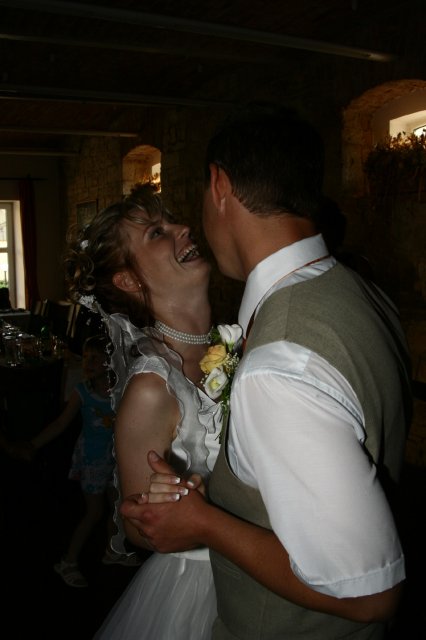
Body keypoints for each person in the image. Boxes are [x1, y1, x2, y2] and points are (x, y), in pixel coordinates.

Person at [120, 104, 413, 639]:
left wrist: (204, 522)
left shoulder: (276, 368)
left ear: (219, 185)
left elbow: (370, 594)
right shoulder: (364, 293)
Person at [63, 182, 223, 638]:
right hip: (204, 590)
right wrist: (172, 503)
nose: (183, 228)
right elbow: (136, 529)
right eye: (157, 232)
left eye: (171, 222)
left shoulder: (231, 345)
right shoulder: (153, 387)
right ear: (129, 281)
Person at [12, 334, 138, 587]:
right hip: (92, 460)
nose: (88, 362)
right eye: (86, 357)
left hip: (113, 459)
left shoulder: (121, 390)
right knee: (94, 512)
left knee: (116, 507)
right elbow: (60, 423)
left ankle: (113, 550)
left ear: (110, 362)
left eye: (96, 358)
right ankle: (67, 561)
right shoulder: (83, 392)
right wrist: (33, 444)